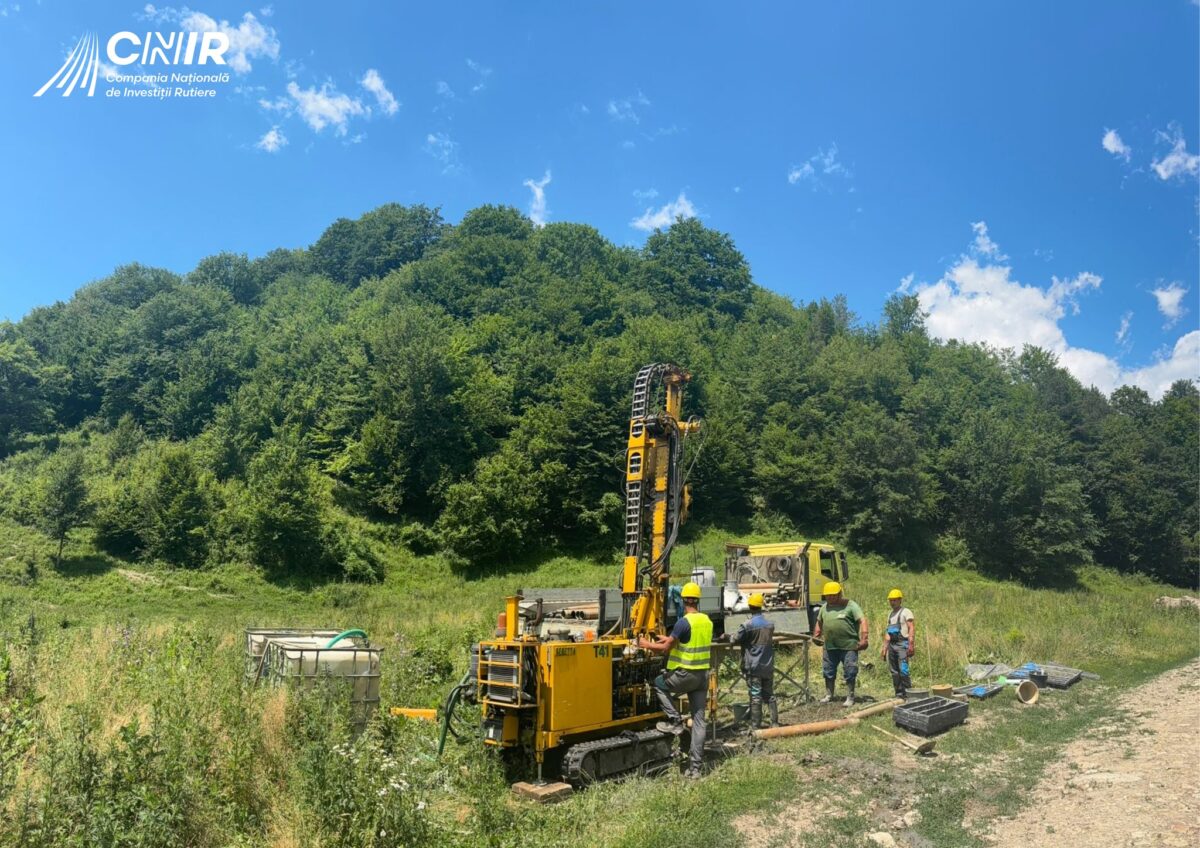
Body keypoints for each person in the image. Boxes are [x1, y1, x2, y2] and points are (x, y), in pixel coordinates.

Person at [637, 581, 712, 779]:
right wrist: (668, 638)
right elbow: (684, 641)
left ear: (683, 600)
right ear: (697, 599)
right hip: (703, 675)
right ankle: (695, 768)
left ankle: (674, 719)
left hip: (685, 675)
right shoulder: (706, 620)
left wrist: (644, 643)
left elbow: (665, 649)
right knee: (698, 720)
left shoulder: (683, 622)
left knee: (659, 684)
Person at [811, 582, 867, 707]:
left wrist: (864, 638)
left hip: (849, 646)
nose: (830, 598)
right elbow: (819, 622)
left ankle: (850, 696)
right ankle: (829, 694)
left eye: (833, 595)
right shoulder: (824, 608)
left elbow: (862, 620)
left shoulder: (851, 605)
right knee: (828, 670)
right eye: (828, 596)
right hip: (830, 646)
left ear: (840, 594)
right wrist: (816, 634)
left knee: (850, 670)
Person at [732, 592, 777, 728]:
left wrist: (726, 636)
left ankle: (755, 726)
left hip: (754, 666)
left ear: (750, 606)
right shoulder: (770, 624)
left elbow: (735, 639)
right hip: (768, 665)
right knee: (769, 694)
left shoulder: (747, 625)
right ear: (761, 607)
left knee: (756, 695)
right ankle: (774, 723)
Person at [881, 588, 915, 699]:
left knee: (903, 670)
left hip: (902, 644)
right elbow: (888, 633)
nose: (892, 602)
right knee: (894, 671)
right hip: (892, 644)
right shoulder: (890, 615)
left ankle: (908, 694)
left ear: (900, 600)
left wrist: (911, 644)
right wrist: (884, 648)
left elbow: (911, 628)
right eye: (891, 600)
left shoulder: (906, 612)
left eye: (895, 600)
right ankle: (899, 694)